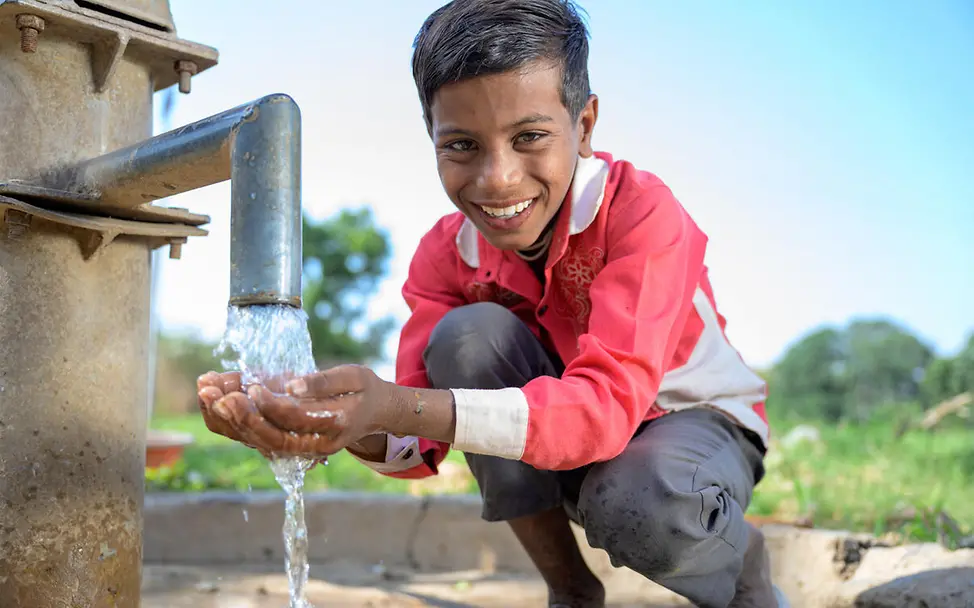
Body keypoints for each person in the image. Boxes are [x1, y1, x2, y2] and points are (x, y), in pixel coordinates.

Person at [196, 1, 788, 606]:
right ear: (432, 138)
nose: (498, 179)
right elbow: (414, 447)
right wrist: (333, 420)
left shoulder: (640, 213)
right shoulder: (446, 256)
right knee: (468, 337)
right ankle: (571, 588)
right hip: (570, 438)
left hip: (690, 425)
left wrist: (394, 405)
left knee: (638, 500)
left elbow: (604, 411)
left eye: (529, 137)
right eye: (462, 145)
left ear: (584, 127)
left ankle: (741, 563)